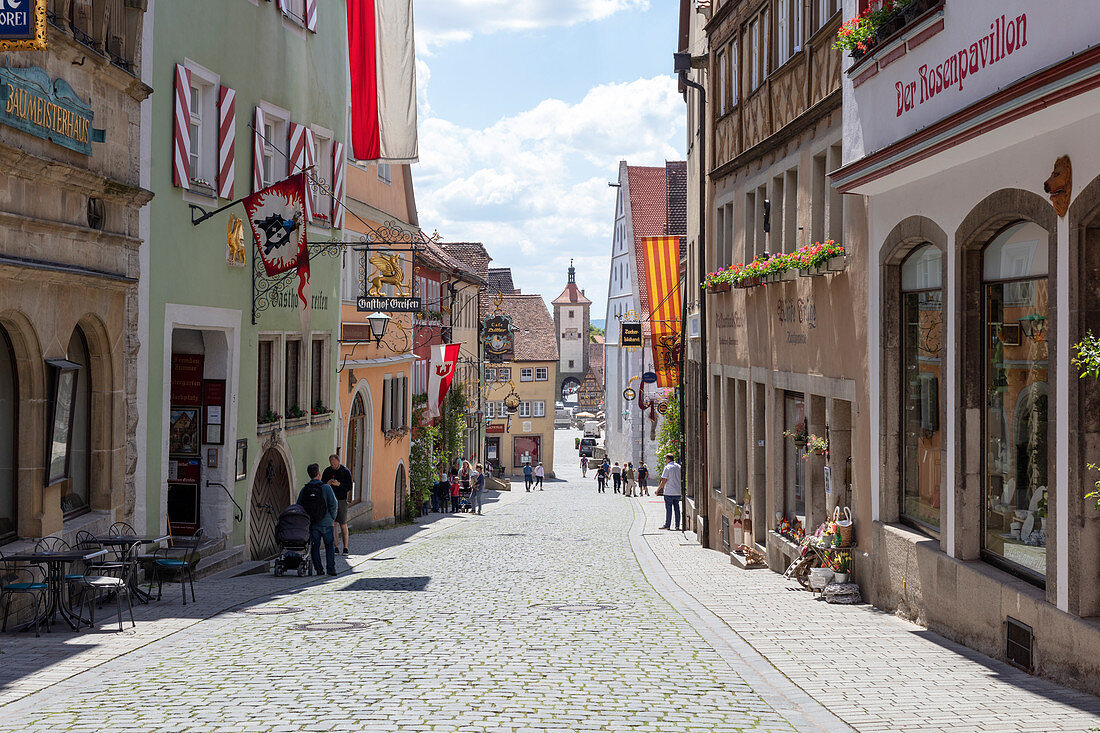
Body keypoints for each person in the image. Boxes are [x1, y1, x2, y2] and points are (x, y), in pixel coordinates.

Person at [297, 463, 338, 576]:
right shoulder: (326, 487)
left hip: (313, 523)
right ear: (319, 474)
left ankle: (319, 569)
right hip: (327, 522)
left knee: (315, 546)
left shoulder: (305, 489)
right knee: (329, 545)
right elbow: (334, 504)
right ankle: (331, 569)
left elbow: (299, 505)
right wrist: (331, 517)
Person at [321, 454, 353, 555]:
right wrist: (328, 483)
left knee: (343, 524)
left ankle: (346, 548)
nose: (333, 466)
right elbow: (322, 485)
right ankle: (335, 547)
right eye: (331, 464)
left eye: (334, 464)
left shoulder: (345, 471)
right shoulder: (327, 471)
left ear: (338, 461)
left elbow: (349, 487)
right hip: (330, 500)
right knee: (333, 524)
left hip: (341, 500)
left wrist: (339, 485)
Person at [656, 453, 683, 531]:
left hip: (669, 491)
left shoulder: (667, 467)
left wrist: (658, 490)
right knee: (677, 509)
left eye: (666, 459)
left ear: (668, 459)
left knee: (669, 509)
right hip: (677, 491)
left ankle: (667, 525)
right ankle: (677, 525)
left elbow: (664, 480)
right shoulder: (678, 466)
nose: (665, 460)